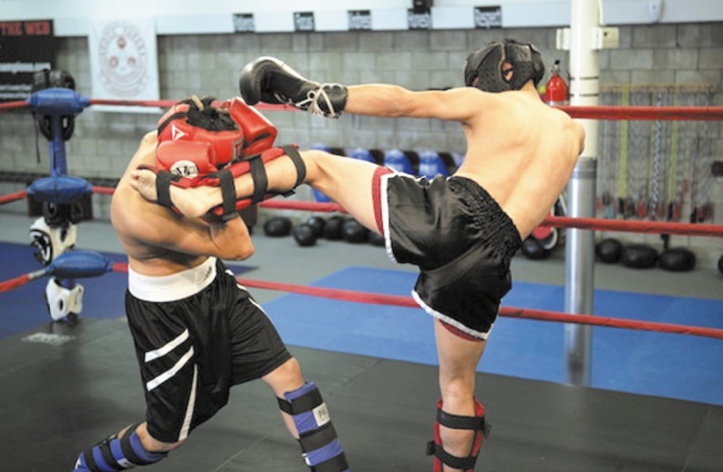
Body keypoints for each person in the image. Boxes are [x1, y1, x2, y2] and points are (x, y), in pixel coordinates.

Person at [132, 38, 585, 471]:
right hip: (491, 259)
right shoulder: (572, 133)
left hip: (446, 216)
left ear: (501, 71)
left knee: (316, 164)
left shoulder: (492, 102)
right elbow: (544, 204)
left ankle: (203, 197)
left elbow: (403, 101)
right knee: (457, 388)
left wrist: (311, 94)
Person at [72, 97, 350, 472]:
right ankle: (90, 464)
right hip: (165, 315)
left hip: (215, 286)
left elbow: (189, 112)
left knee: (289, 375)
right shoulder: (135, 211)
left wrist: (223, 138)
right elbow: (239, 244)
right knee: (164, 438)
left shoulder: (166, 144)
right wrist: (218, 186)